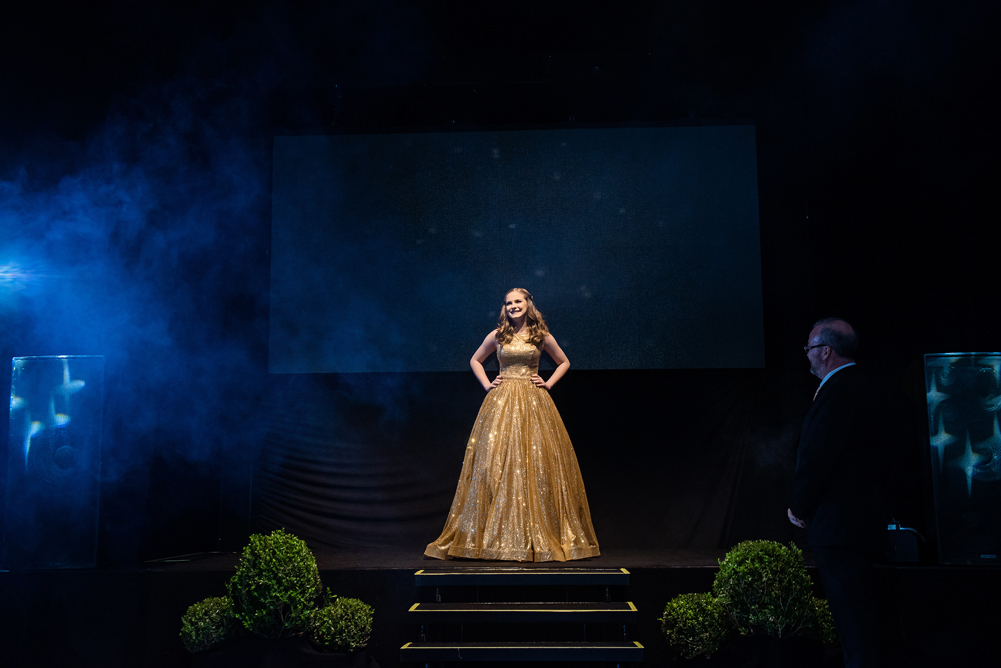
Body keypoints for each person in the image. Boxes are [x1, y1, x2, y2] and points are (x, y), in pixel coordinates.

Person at [424, 288, 600, 562]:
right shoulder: (498, 335)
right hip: (502, 402)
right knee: (493, 463)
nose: (513, 306)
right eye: (508, 303)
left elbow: (564, 362)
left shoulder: (540, 336)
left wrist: (548, 383)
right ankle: (491, 537)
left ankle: (535, 533)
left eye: (518, 301)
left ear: (528, 304)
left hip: (533, 402)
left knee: (535, 462)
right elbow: (475, 360)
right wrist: (487, 383)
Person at [788, 318, 886, 668]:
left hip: (842, 527)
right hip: (849, 525)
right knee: (855, 623)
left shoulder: (842, 390)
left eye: (810, 348)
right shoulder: (853, 385)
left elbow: (818, 456)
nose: (807, 355)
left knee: (854, 623)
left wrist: (799, 505)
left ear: (825, 351)